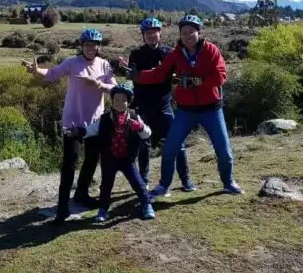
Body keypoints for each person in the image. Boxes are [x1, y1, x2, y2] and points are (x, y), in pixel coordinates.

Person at [135, 15, 242, 196]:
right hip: (186, 110)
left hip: (211, 108)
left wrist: (194, 82)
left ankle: (228, 182)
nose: (187, 36)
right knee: (170, 149)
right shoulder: (176, 54)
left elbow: (220, 77)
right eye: (184, 33)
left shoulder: (210, 50)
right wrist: (137, 76)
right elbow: (160, 73)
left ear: (198, 32)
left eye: (191, 32)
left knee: (223, 150)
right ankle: (163, 185)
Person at [23, 28, 116, 225]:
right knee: (69, 164)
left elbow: (114, 89)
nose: (91, 48)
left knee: (92, 159)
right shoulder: (72, 63)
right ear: (81, 46)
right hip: (73, 121)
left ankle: (81, 194)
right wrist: (36, 70)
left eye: (94, 44)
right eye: (87, 44)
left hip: (95, 122)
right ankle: (63, 206)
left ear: (99, 46)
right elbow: (52, 74)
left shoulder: (105, 65)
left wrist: (99, 85)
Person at [117, 18, 195, 191]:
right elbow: (135, 77)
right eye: (147, 33)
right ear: (143, 36)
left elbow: (177, 75)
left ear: (160, 33)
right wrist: (130, 72)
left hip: (164, 106)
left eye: (154, 32)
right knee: (144, 146)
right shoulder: (136, 54)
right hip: (143, 108)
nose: (151, 36)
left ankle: (186, 180)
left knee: (178, 144)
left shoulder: (169, 52)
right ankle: (144, 181)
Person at [69, 82, 156, 222]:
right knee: (106, 186)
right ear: (112, 100)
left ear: (129, 101)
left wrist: (139, 127)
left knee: (138, 183)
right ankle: (103, 210)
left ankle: (147, 205)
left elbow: (147, 134)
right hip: (109, 160)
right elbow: (91, 130)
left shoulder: (134, 116)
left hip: (128, 160)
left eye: (124, 100)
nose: (120, 103)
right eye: (116, 100)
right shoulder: (104, 119)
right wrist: (77, 131)